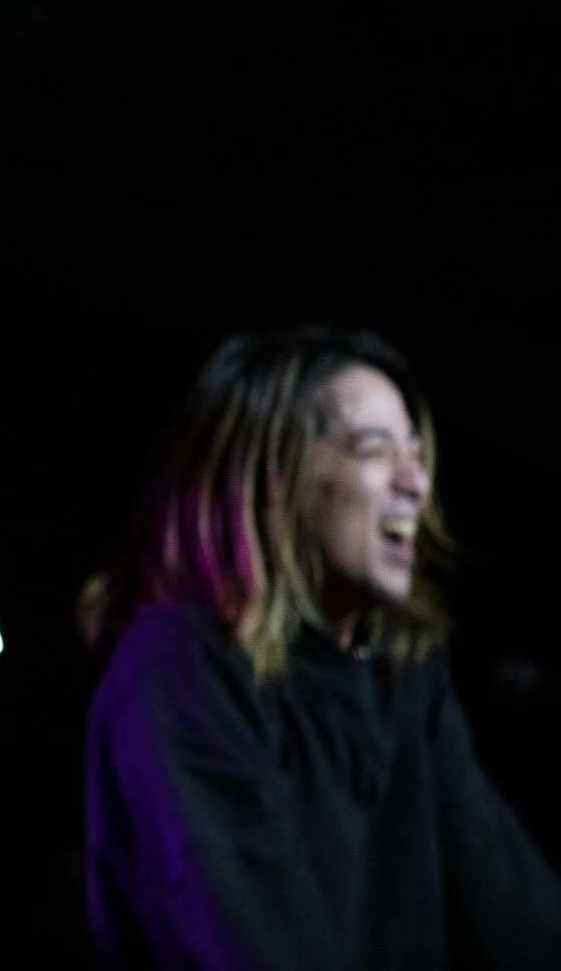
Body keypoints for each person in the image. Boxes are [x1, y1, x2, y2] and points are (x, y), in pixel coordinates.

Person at [77, 326, 561, 969]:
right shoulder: (179, 671)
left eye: (417, 453)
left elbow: (509, 898)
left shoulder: (404, 672)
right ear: (274, 479)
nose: (416, 482)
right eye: (375, 447)